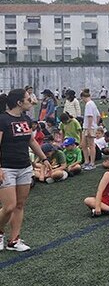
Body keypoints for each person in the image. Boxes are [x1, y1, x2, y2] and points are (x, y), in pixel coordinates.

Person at [0, 89, 51, 251]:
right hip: (6, 168)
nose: (32, 101)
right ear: (19, 102)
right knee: (9, 206)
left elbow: (32, 141)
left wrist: (44, 159)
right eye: (28, 99)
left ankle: (14, 240)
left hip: (24, 167)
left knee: (19, 205)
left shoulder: (26, 119)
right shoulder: (2, 120)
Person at [81, 89, 101, 170]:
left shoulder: (89, 104)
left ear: (83, 97)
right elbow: (98, 116)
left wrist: (90, 128)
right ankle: (86, 161)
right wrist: (96, 124)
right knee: (84, 145)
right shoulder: (93, 103)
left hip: (89, 127)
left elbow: (90, 117)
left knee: (91, 145)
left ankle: (92, 163)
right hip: (88, 127)